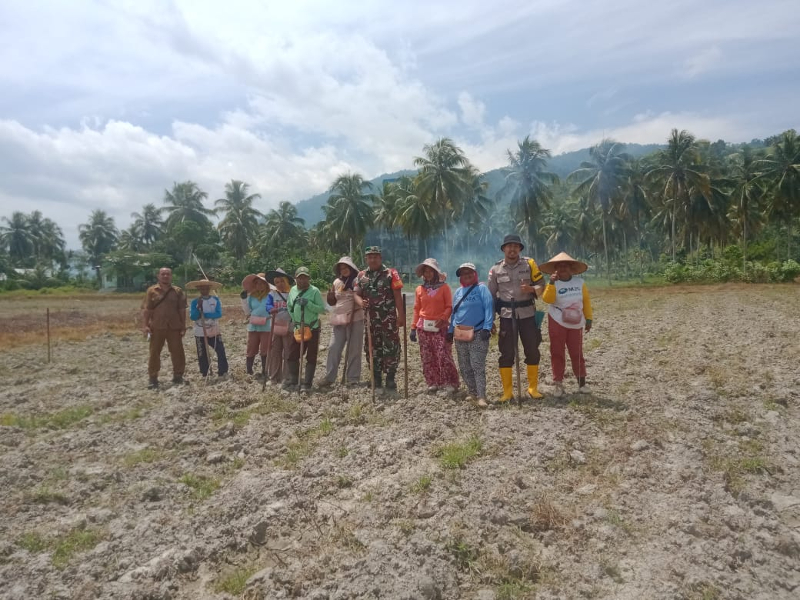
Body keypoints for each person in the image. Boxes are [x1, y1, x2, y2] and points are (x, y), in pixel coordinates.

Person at [487, 234, 545, 402]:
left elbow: (543, 285)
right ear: (503, 249)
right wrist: (490, 320)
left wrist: (532, 289)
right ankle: (507, 392)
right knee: (506, 353)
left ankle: (533, 388)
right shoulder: (495, 270)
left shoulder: (530, 265)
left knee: (532, 350)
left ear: (520, 249)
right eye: (509, 246)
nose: (512, 249)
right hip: (506, 315)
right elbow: (490, 297)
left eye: (515, 246)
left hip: (527, 314)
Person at [540, 252, 593, 396]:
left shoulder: (579, 283)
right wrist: (551, 283)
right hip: (557, 320)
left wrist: (589, 318)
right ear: (555, 269)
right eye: (559, 266)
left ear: (571, 267)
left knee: (577, 353)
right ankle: (558, 384)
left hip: (576, 322)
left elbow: (586, 301)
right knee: (557, 352)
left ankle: (582, 383)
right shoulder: (553, 283)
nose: (563, 268)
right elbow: (547, 299)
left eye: (566, 265)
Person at [355, 246, 404, 394]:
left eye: (375, 256)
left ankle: (390, 378)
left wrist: (401, 315)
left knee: (391, 347)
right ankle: (376, 377)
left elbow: (397, 296)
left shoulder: (391, 273)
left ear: (380, 258)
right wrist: (360, 302)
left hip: (388, 319)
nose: (373, 259)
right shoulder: (361, 275)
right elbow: (356, 294)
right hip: (370, 320)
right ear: (366, 259)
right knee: (372, 348)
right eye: (370, 256)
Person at [410, 258, 459, 395]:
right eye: (425, 271)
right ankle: (433, 382)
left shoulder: (444, 288)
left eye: (431, 271)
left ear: (436, 273)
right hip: (423, 327)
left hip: (440, 326)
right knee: (427, 356)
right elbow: (416, 309)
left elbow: (449, 306)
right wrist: (413, 328)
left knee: (443, 354)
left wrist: (443, 318)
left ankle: (450, 383)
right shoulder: (419, 289)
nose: (428, 274)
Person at [448, 262, 494, 407]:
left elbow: (489, 308)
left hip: (478, 332)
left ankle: (481, 396)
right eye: (463, 273)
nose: (466, 275)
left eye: (469, 272)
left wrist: (487, 327)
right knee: (464, 365)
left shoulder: (482, 289)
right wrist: (450, 330)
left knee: (477, 365)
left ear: (475, 274)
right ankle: (472, 391)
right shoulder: (457, 292)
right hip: (460, 333)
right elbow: (454, 314)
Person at [320, 257, 365, 388]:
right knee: (334, 347)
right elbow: (332, 302)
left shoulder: (359, 281)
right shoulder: (336, 282)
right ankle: (329, 377)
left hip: (355, 318)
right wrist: (329, 296)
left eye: (346, 268)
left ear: (351, 268)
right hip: (339, 318)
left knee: (354, 349)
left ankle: (353, 379)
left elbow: (363, 296)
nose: (344, 270)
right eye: (341, 268)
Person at [140, 267, 187, 389]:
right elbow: (147, 310)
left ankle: (178, 376)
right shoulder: (151, 291)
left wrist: (183, 325)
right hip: (157, 326)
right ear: (158, 276)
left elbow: (182, 309)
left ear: (171, 276)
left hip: (174, 326)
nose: (165, 276)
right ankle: (153, 378)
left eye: (168, 274)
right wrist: (145, 325)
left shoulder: (178, 291)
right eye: (163, 274)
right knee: (154, 353)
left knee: (177, 352)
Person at [285, 266, 325, 392]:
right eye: (300, 278)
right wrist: (295, 320)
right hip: (297, 328)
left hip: (312, 328)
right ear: (295, 279)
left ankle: (307, 384)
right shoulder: (292, 290)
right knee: (292, 355)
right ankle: (294, 380)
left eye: (305, 278)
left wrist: (308, 304)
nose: (302, 280)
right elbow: (289, 307)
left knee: (311, 356)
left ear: (309, 278)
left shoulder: (315, 291)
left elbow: (321, 309)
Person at [187, 279, 229, 380]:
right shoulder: (195, 302)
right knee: (202, 353)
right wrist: (198, 309)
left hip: (213, 329)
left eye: (206, 287)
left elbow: (218, 314)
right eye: (201, 288)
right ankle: (205, 373)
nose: (204, 289)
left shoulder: (215, 300)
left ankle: (223, 371)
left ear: (209, 288)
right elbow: (193, 317)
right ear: (198, 289)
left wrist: (205, 314)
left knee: (220, 350)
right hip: (200, 331)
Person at [265, 268, 294, 385]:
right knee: (275, 351)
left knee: (288, 352)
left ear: (286, 281)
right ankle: (273, 376)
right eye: (277, 282)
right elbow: (267, 305)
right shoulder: (272, 294)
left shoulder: (292, 293)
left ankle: (286, 377)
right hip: (276, 326)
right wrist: (270, 309)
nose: (280, 284)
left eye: (282, 281)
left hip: (289, 326)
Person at [240, 273, 272, 378]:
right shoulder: (251, 297)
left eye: (262, 283)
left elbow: (272, 310)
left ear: (266, 284)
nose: (259, 285)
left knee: (265, 348)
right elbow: (247, 311)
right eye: (257, 283)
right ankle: (249, 370)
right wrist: (243, 300)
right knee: (251, 347)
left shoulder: (270, 296)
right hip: (253, 326)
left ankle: (265, 370)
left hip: (266, 326)